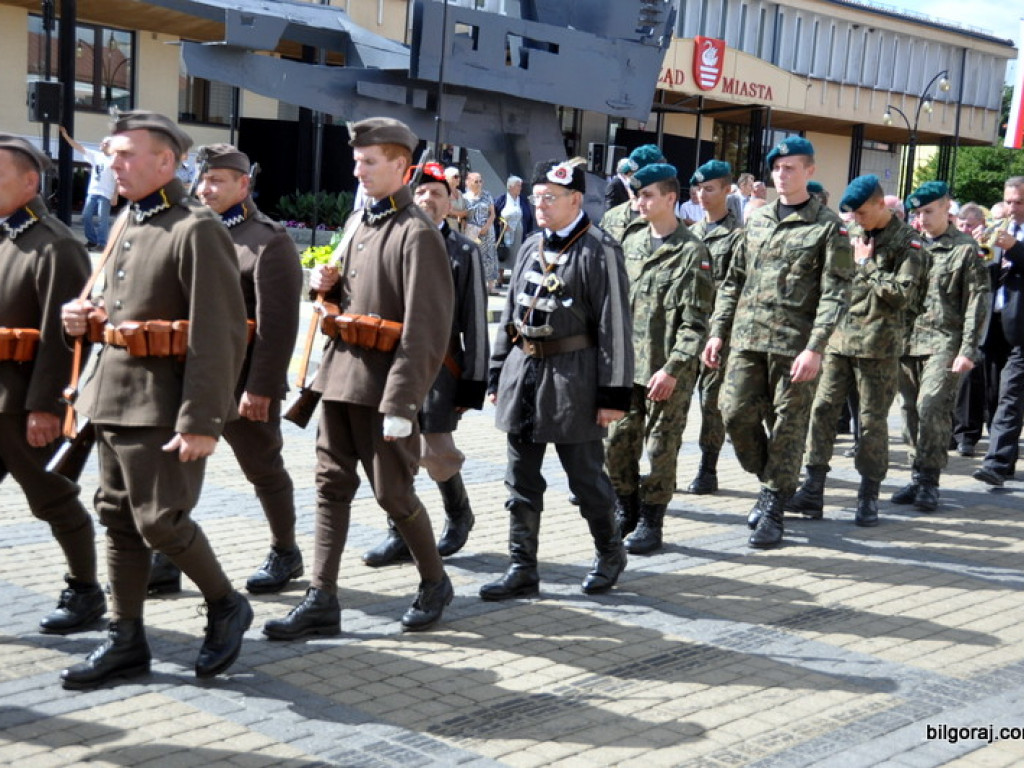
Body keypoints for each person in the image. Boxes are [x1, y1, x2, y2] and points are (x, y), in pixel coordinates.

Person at [59, 111, 251, 689]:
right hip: (113, 395)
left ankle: (224, 603)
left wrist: (201, 421)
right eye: (111, 154)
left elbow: (220, 333)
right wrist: (84, 319)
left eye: (124, 154)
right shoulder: (128, 219)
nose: (111, 164)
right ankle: (125, 639)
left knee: (161, 521)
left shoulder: (197, 228)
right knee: (117, 519)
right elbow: (125, 311)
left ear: (165, 162)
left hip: (163, 403)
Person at [263, 117, 456, 640]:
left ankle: (435, 581)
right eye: (357, 161)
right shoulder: (358, 224)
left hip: (383, 390)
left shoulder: (417, 234)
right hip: (339, 379)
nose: (359, 169)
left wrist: (402, 404)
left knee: (393, 494)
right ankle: (322, 596)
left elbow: (426, 331)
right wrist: (323, 286)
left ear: (401, 166)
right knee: (330, 487)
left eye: (370, 161)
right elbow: (342, 304)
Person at [481, 159, 634, 600]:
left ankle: (609, 553)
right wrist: (496, 375)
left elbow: (615, 328)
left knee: (585, 477)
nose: (540, 205)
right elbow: (510, 318)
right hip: (524, 375)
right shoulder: (531, 245)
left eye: (550, 198)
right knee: (520, 479)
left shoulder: (599, 249)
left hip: (575, 380)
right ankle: (522, 566)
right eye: (536, 198)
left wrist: (613, 395)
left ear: (575, 200)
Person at [702, 136, 853, 549]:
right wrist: (718, 331)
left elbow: (835, 293)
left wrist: (816, 347)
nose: (782, 175)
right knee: (732, 413)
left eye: (791, 168)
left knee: (788, 427)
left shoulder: (828, 227)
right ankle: (773, 479)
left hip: (795, 345)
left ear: (809, 171)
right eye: (777, 168)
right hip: (747, 340)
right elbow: (733, 281)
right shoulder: (757, 220)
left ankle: (772, 505)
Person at [168, 143, 300, 594]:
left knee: (262, 469)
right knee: (177, 468)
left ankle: (286, 551)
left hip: (244, 381)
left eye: (217, 181)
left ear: (243, 185)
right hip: (194, 378)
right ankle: (168, 555)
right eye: (202, 180)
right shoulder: (191, 230)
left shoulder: (268, 240)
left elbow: (278, 325)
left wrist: (261, 387)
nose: (206, 189)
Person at [0, 135, 105, 635]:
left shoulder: (55, 244)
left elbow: (64, 340)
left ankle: (85, 591)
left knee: (51, 497)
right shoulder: (5, 236)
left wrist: (47, 407)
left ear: (30, 182)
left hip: (23, 405)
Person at [362, 161, 489, 566]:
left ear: (451, 201)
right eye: (420, 193)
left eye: (437, 193)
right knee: (392, 448)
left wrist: (472, 382)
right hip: (390, 361)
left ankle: (458, 514)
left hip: (441, 366)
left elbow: (475, 322)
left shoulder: (465, 252)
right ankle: (399, 532)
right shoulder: (392, 237)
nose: (427, 200)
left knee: (436, 448)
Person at [786, 175, 925, 526]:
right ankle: (813, 489)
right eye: (853, 214)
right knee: (822, 411)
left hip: (878, 347)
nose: (857, 219)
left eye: (862, 212)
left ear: (881, 204)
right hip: (839, 341)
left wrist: (867, 264)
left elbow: (903, 295)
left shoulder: (909, 243)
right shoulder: (850, 236)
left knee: (871, 423)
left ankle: (868, 496)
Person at [604, 163, 713, 554]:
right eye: (637, 194)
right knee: (616, 443)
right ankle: (626, 507)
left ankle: (652, 520)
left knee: (660, 448)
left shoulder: (692, 251)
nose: (640, 201)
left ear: (670, 198)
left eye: (648, 194)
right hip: (627, 368)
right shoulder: (631, 240)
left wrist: (673, 369)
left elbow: (696, 322)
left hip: (669, 369)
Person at [892, 181, 989, 510]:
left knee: (931, 407)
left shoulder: (966, 249)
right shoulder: (909, 246)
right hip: (905, 342)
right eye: (917, 213)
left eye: (929, 211)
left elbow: (977, 303)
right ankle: (916, 475)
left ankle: (930, 480)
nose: (922, 219)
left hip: (944, 343)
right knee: (908, 412)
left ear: (947, 208)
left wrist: (968, 350)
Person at [686, 160, 745, 495]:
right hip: (686, 331)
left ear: (726, 190)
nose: (702, 195)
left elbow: (732, 287)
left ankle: (707, 468)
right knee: (675, 401)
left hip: (716, 333)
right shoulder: (691, 233)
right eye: (699, 188)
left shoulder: (738, 236)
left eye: (710, 188)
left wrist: (719, 333)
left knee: (711, 400)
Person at [973, 177, 1024, 487]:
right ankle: (1004, 461)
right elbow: (989, 274)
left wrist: (1015, 248)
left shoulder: (1015, 238)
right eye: (1008, 201)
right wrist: (982, 250)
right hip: (995, 324)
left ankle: (995, 462)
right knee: (994, 393)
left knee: (1010, 393)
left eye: (1018, 202)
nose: (1011, 208)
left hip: (1022, 329)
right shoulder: (1001, 228)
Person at [59, 126, 117, 249]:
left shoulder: (114, 160)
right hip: (93, 191)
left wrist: (115, 194)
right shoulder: (96, 155)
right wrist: (66, 136)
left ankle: (102, 243)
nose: (101, 144)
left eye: (104, 143)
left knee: (103, 218)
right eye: (102, 142)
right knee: (86, 215)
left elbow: (117, 179)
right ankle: (92, 240)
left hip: (106, 193)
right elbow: (78, 147)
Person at [600, 144, 664, 242]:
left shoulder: (667, 224)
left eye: (636, 177)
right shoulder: (611, 217)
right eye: (629, 176)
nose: (631, 183)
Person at [464, 171, 499, 293]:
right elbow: (463, 216)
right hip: (472, 231)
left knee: (489, 256)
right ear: (468, 182)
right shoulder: (465, 197)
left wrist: (487, 226)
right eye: (476, 181)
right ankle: (475, 283)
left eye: (480, 181)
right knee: (473, 255)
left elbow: (493, 213)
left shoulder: (487, 195)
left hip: (487, 230)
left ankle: (490, 285)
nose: (479, 183)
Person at [494, 175, 534, 270]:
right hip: (505, 233)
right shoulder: (502, 199)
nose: (520, 188)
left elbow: (528, 216)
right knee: (503, 252)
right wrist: (501, 222)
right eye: (518, 185)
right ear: (511, 187)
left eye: (520, 185)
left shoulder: (523, 200)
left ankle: (514, 276)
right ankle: (500, 278)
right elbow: (493, 214)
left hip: (519, 234)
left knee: (518, 255)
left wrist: (529, 231)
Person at [444, 167, 468, 233]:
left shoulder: (459, 193)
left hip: (461, 229)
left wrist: (457, 213)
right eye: (455, 176)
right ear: (447, 178)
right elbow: (446, 211)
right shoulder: (444, 193)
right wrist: (461, 213)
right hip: (449, 229)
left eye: (459, 176)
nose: (458, 179)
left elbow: (466, 210)